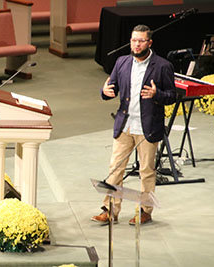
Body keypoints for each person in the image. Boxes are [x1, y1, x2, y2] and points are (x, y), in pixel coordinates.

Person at [91, 25, 176, 225]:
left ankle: (145, 211)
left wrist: (157, 95)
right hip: (125, 125)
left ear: (149, 43)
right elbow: (109, 89)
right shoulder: (122, 62)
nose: (136, 44)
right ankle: (110, 210)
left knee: (146, 171)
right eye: (133, 40)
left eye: (141, 41)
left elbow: (172, 96)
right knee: (115, 168)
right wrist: (104, 92)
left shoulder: (162, 66)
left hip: (148, 126)